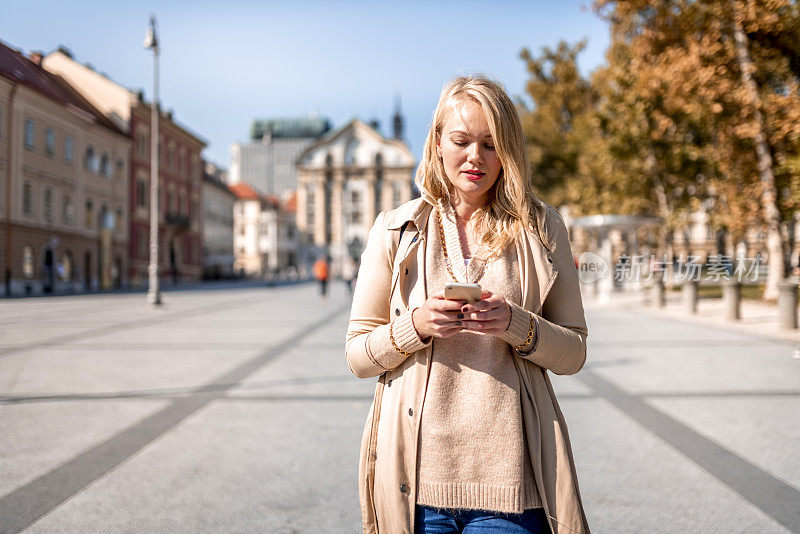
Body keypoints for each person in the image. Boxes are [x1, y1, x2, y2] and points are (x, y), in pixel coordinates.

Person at [346, 75, 590, 534]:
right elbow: (358, 356)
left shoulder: (541, 228)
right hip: (417, 490)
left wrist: (518, 324)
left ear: (509, 151)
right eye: (461, 140)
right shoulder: (396, 229)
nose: (475, 157)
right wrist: (414, 326)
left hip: (513, 492)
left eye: (491, 144)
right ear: (438, 142)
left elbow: (575, 353)